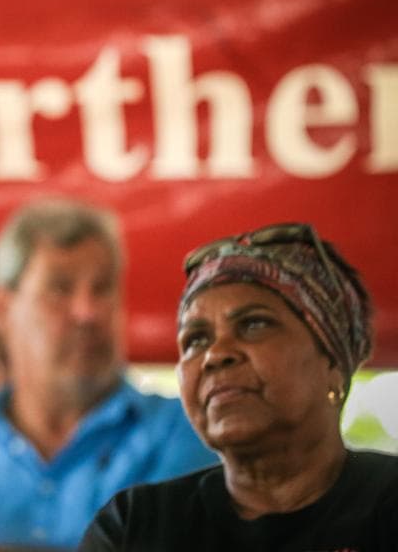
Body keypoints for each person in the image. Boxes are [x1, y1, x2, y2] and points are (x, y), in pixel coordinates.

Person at [80, 223, 398, 551]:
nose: (215, 355)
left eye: (254, 324)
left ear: (332, 364)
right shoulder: (134, 525)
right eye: (196, 340)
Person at [0, 199, 216, 551]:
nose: (88, 312)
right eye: (60, 288)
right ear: (4, 307)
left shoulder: (185, 429)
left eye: (103, 288)